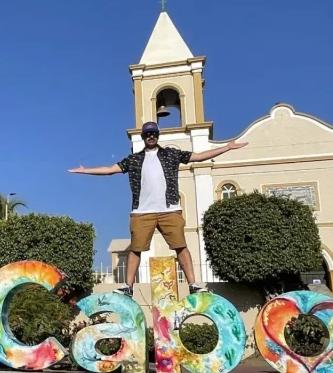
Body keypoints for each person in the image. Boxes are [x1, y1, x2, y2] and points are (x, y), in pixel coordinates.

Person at [68, 121, 247, 297]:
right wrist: (85, 171)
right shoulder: (134, 159)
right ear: (144, 137)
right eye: (148, 134)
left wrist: (227, 147)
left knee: (180, 246)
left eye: (154, 133)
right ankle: (127, 287)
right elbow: (109, 169)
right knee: (136, 248)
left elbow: (199, 157)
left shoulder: (172, 154)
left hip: (170, 210)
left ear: (157, 135)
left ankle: (193, 284)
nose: (151, 136)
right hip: (142, 212)